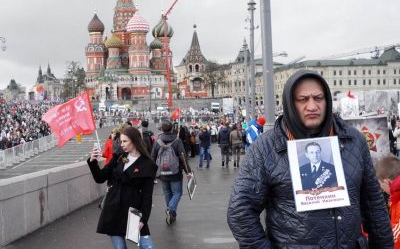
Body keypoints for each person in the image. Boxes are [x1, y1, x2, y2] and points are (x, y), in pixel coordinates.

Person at [227, 69, 393, 248]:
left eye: (318, 98)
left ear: (327, 100)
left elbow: (374, 206)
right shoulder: (265, 148)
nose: (312, 106)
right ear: (290, 104)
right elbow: (240, 211)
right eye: (303, 99)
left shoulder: (353, 140)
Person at [87, 127, 157, 249]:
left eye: (125, 141)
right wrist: (92, 162)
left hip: (133, 211)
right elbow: (100, 178)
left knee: (147, 246)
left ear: (135, 141)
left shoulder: (148, 164)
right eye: (120, 141)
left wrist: (144, 219)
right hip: (113, 208)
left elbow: (147, 196)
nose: (121, 144)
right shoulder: (119, 157)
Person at [151, 120, 192, 226]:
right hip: (175, 173)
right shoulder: (177, 141)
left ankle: (172, 214)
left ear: (162, 129)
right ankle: (170, 209)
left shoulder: (158, 141)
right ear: (172, 129)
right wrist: (188, 171)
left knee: (167, 193)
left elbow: (153, 157)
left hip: (162, 173)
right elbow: (183, 157)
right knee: (177, 193)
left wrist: (153, 172)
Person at [374, 155, 400, 249]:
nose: (381, 188)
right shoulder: (395, 197)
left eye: (380, 184)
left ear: (386, 182)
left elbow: (396, 236)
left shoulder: (398, 203)